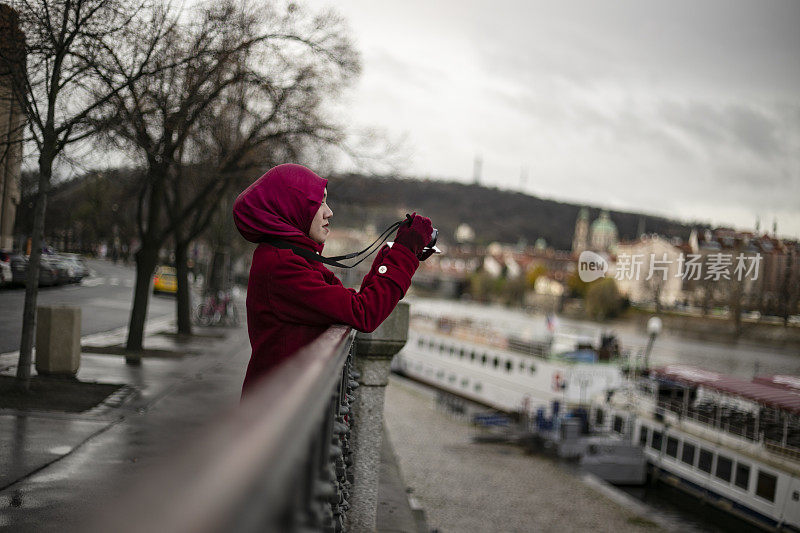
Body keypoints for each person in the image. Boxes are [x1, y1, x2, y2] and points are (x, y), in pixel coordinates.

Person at [232, 164, 433, 394]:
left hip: (286, 400)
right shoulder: (283, 266)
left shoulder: (292, 258)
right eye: (319, 202)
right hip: (281, 413)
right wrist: (405, 251)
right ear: (292, 206)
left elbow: (353, 302)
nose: (329, 212)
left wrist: (394, 252)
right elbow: (364, 313)